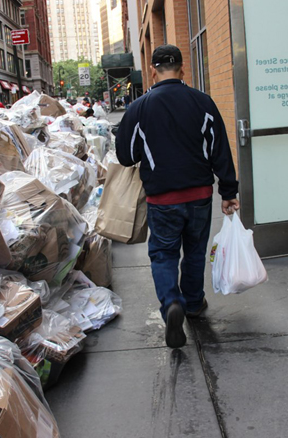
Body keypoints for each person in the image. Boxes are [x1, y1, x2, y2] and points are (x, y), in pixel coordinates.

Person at [115, 44, 240, 349]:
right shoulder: (203, 103)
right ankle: (194, 303)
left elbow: (125, 156)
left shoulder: (139, 108)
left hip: (162, 199)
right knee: (196, 251)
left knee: (164, 254)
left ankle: (172, 303)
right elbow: (219, 150)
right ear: (183, 69)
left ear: (154, 71)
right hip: (199, 195)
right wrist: (228, 191)